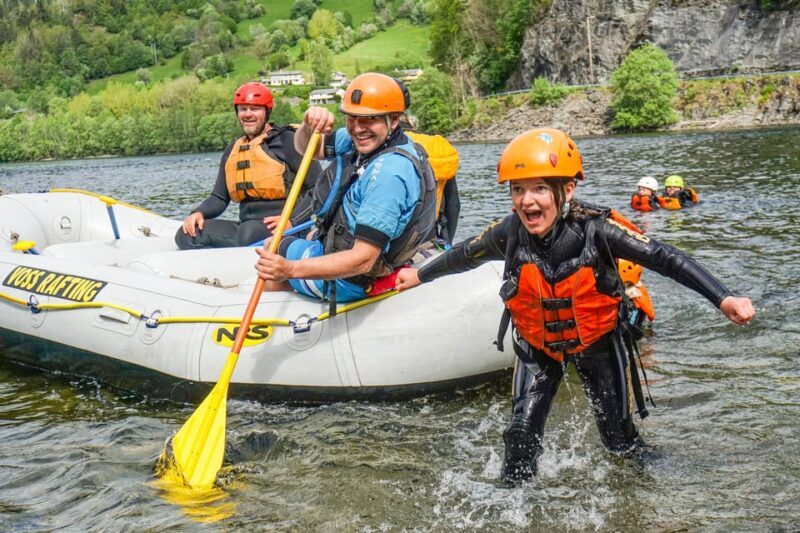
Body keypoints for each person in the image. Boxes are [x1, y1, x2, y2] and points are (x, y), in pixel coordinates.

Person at [395, 128, 756, 484]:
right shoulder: (508, 232)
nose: (526, 201)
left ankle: (644, 495)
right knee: (519, 442)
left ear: (567, 189)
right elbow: (464, 255)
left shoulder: (598, 230)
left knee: (620, 444)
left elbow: (666, 258)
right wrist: (420, 276)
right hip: (537, 346)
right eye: (517, 190)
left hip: (597, 344)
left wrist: (723, 298)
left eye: (539, 188)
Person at [253, 72, 436, 303]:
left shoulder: (389, 174)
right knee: (307, 234)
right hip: (355, 256)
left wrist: (289, 269)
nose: (358, 129)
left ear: (394, 120)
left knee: (273, 247)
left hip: (352, 280)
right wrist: (309, 125)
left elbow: (363, 260)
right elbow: (306, 148)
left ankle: (273, 314)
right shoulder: (366, 141)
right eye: (352, 118)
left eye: (370, 119)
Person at [175, 82, 321, 250]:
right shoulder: (234, 149)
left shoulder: (289, 141)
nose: (248, 114)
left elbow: (319, 186)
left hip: (286, 228)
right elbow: (219, 198)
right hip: (246, 227)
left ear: (267, 112)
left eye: (255, 109)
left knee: (247, 234)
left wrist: (292, 220)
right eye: (243, 109)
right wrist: (198, 213)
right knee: (186, 234)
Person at [400, 115, 461, 243]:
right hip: (429, 236)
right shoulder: (438, 147)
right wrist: (447, 241)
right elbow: (453, 205)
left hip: (395, 240)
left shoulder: (386, 143)